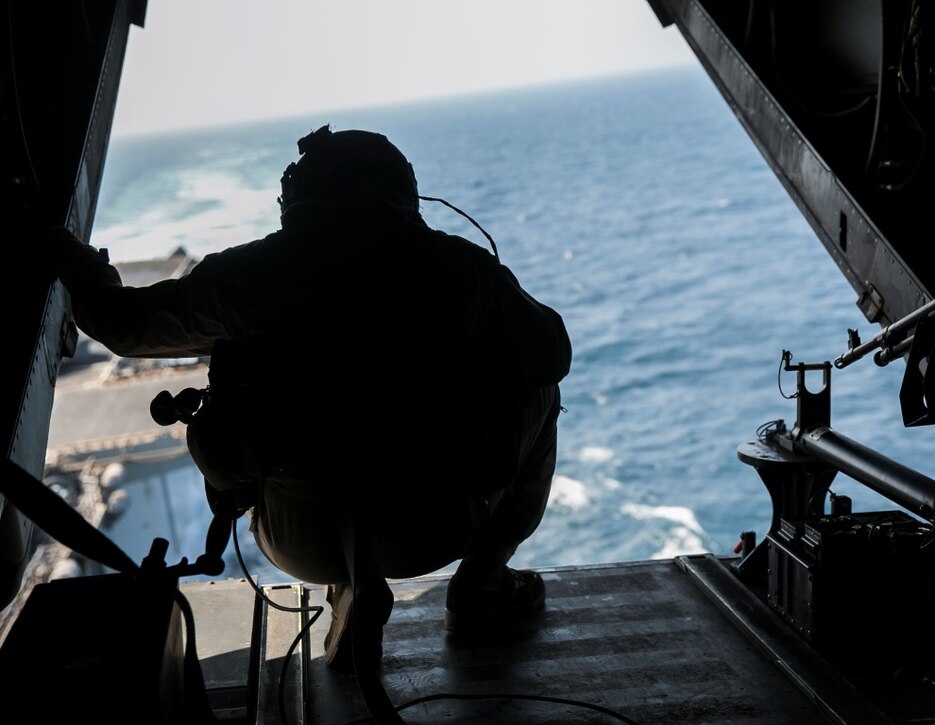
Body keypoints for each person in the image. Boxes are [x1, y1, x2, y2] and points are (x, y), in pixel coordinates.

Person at [45, 125, 571, 683]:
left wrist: (76, 259)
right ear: (401, 194)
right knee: (541, 388)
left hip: (297, 542)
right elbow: (551, 352)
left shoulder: (245, 277)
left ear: (295, 197)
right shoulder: (458, 270)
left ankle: (348, 585)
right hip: (432, 528)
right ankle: (483, 582)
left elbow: (121, 325)